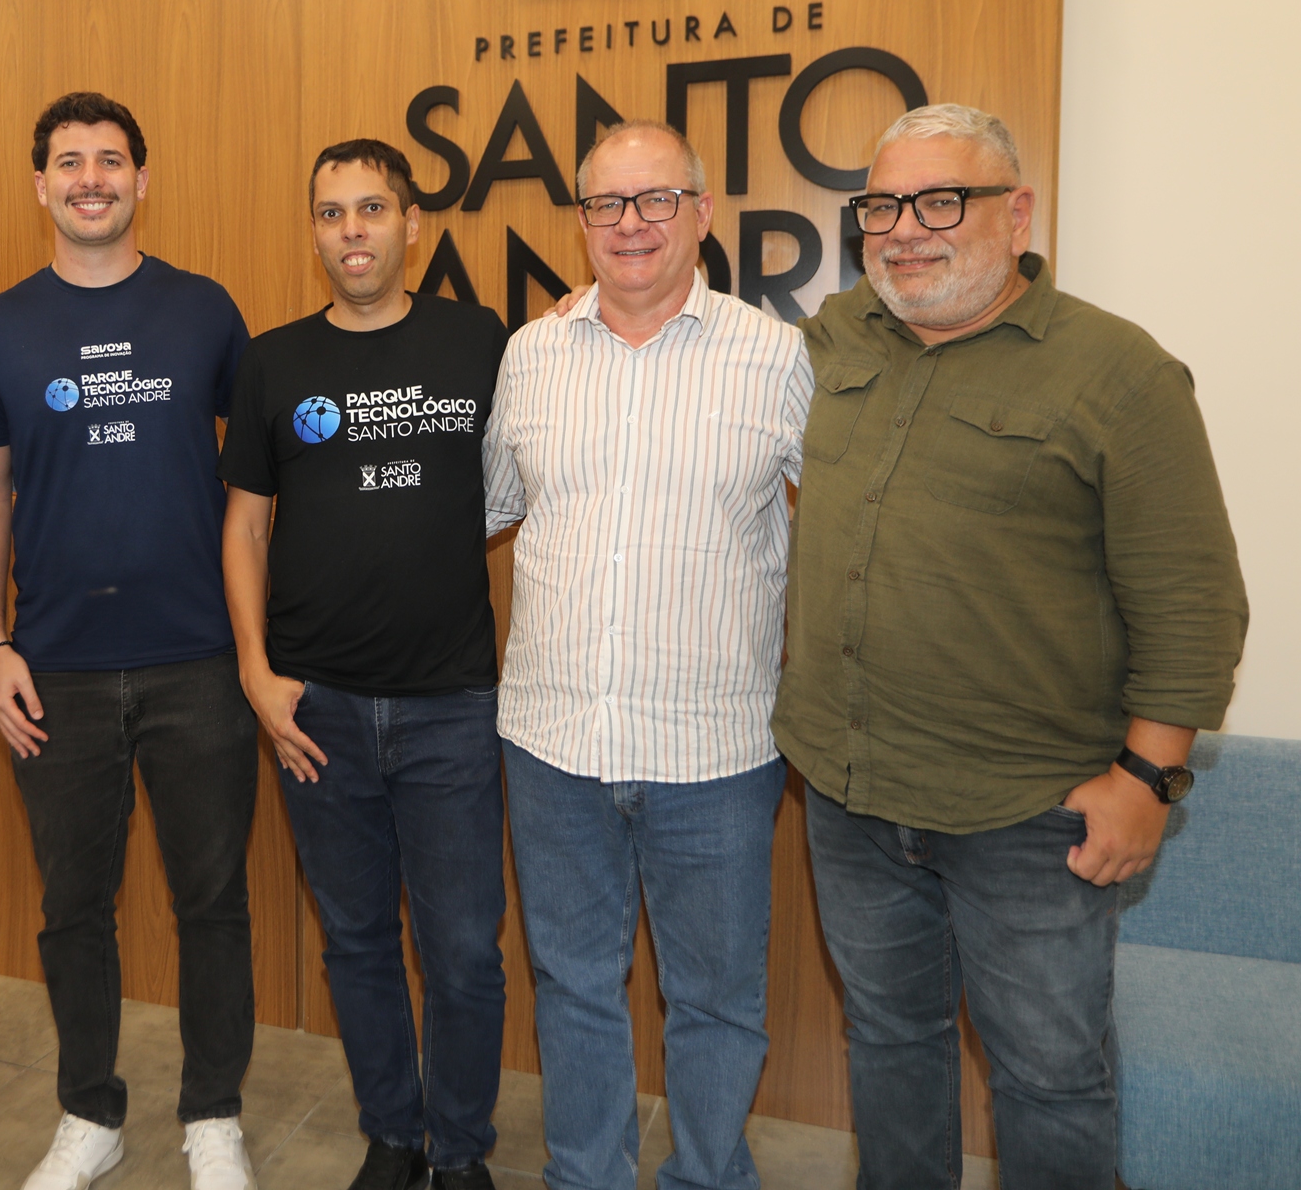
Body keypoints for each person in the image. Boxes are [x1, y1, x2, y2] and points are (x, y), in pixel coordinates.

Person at [774, 103, 1248, 1189]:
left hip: (1031, 815)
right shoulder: (844, 335)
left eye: (942, 201)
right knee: (888, 1042)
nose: (906, 230)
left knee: (1049, 1078)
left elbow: (1195, 602)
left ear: (1018, 213)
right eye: (883, 206)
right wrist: (601, 308)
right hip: (851, 792)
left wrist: (1149, 779)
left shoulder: (1119, 373)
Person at [482, 121, 810, 1190]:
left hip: (715, 752)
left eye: (656, 199)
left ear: (702, 213)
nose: (630, 224)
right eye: (605, 203)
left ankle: (708, 1177)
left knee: (717, 1002)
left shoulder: (776, 357)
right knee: (573, 987)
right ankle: (587, 1176)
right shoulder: (530, 356)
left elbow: (841, 527)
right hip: (554, 744)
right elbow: (489, 507)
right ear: (580, 221)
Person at [0, 92, 258, 1190]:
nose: (92, 178)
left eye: (112, 160)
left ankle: (213, 1115)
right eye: (71, 161)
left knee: (212, 903)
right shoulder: (1, 327)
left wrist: (257, 640)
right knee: (72, 908)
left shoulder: (204, 309)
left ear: (142, 178)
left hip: (199, 661)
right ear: (40, 183)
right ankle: (90, 1112)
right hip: (57, 670)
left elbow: (256, 478)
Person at [221, 140, 510, 1190]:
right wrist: (256, 673)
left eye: (373, 208)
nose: (352, 230)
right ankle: (394, 1135)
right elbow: (245, 526)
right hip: (318, 708)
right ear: (315, 231)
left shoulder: (482, 340)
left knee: (464, 951)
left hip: (452, 705)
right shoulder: (274, 361)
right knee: (355, 940)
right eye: (332, 212)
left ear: (411, 225)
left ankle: (461, 1150)